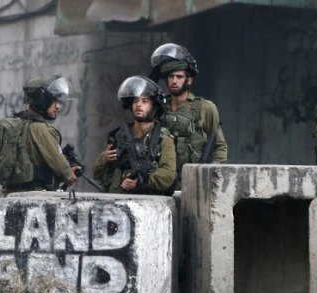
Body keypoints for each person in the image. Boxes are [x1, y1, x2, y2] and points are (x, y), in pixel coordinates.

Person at [149, 43, 227, 183]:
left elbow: (219, 146)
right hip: (162, 183)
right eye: (171, 76)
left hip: (194, 182)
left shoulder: (205, 107)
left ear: (189, 80)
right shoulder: (159, 108)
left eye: (179, 77)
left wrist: (210, 175)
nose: (174, 81)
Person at [92, 76, 176, 195]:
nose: (139, 105)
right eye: (135, 101)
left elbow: (168, 175)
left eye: (145, 101)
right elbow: (96, 173)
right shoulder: (119, 136)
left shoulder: (164, 140)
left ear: (154, 107)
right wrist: (105, 158)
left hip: (148, 205)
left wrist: (142, 181)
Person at [4, 75, 79, 194]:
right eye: (54, 101)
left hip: (13, 194)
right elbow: (59, 164)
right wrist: (69, 173)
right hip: (36, 195)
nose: (58, 106)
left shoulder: (18, 125)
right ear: (42, 99)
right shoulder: (41, 129)